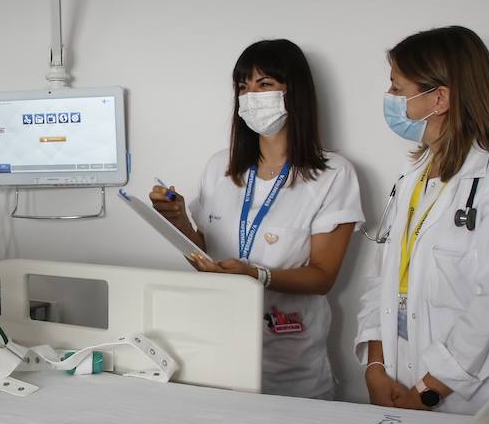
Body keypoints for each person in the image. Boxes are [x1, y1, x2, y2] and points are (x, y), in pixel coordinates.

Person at [149, 39, 363, 399]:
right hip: (218, 346)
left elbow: (323, 276)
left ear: (295, 92)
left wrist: (257, 275)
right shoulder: (221, 166)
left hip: (290, 358)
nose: (250, 96)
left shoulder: (333, 174)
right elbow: (206, 254)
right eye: (242, 87)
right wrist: (178, 221)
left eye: (264, 85)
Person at [356, 25, 489, 413]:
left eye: (397, 88)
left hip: (470, 402)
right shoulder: (415, 173)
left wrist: (427, 391)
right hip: (399, 384)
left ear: (439, 99)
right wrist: (375, 368)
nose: (390, 98)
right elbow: (383, 280)